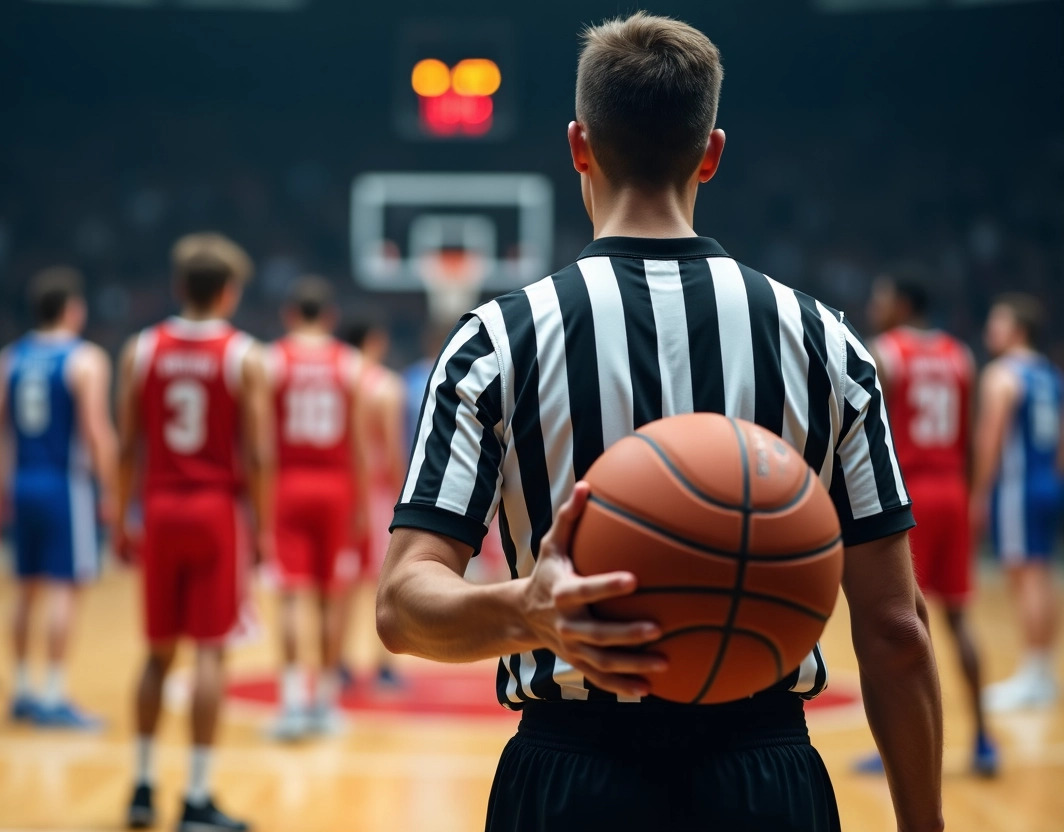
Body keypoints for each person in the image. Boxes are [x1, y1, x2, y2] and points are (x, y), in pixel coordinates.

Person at [377, 13, 943, 832]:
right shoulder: (830, 343)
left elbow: (402, 604)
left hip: (570, 777)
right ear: (711, 152)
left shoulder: (494, 340)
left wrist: (525, 613)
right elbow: (895, 630)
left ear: (578, 145)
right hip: (767, 775)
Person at [115, 233, 258, 832]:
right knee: (209, 654)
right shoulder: (244, 354)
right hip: (214, 511)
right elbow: (262, 454)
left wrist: (121, 515)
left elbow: (129, 446)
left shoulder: (141, 349)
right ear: (228, 292)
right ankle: (197, 795)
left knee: (156, 655)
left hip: (160, 509)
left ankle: (143, 786)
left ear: (179, 287)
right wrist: (265, 532)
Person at [857, 269, 997, 775]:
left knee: (896, 625)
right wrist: (974, 497)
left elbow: (872, 434)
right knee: (958, 618)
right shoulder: (961, 357)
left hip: (908, 496)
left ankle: (903, 749)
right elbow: (970, 437)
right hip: (953, 493)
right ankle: (983, 739)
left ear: (901, 304)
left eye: (881, 295)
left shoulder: (886, 352)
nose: (876, 304)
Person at [0, 267, 117, 728]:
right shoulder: (85, 359)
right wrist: (113, 487)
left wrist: (1, 484)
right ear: (72, 309)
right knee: (65, 589)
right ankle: (56, 694)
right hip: (66, 485)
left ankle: (22, 690)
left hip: (23, 481)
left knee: (25, 590)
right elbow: (96, 430)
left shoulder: (10, 357)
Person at [260, 277, 367, 739]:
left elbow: (261, 444)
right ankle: (323, 703)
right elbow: (360, 444)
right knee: (331, 597)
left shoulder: (271, 360)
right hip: (335, 485)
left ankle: (289, 703)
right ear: (329, 317)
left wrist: (260, 504)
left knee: (289, 594)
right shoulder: (349, 364)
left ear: (289, 314)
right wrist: (362, 502)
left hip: (287, 483)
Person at [972, 293, 1063, 711]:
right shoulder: (1049, 375)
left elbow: (990, 439)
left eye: (998, 321)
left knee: (1024, 576)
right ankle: (1042, 671)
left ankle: (1032, 677)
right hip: (1049, 483)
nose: (991, 329)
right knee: (1041, 575)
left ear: (1018, 330)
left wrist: (978, 492)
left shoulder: (1002, 375)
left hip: (1017, 487)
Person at [340, 317, 407, 689]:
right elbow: (394, 450)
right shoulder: (384, 386)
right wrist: (403, 495)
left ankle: (339, 662)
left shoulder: (338, 379)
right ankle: (383, 667)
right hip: (378, 493)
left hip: (343, 491)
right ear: (375, 340)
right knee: (383, 581)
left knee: (342, 582)